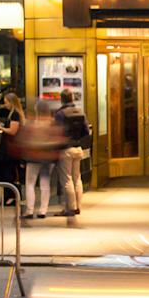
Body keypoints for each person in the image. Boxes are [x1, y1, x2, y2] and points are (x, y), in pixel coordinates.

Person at [15, 100, 64, 219]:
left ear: (37, 110)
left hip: (34, 157)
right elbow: (58, 140)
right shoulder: (52, 123)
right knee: (45, 184)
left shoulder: (32, 124)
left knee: (30, 183)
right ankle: (43, 210)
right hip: (48, 158)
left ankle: (30, 210)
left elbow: (24, 141)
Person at [53, 89, 90, 217]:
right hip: (78, 148)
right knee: (77, 178)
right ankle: (78, 206)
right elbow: (86, 131)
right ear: (72, 98)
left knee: (67, 180)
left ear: (62, 99)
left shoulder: (60, 114)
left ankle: (70, 208)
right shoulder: (80, 112)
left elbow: (56, 132)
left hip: (65, 149)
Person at [0, 92, 25, 208]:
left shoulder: (15, 115)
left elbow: (13, 131)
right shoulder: (12, 114)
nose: (5, 105)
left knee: (9, 172)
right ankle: (10, 195)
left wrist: (1, 127)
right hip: (9, 147)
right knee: (8, 172)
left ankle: (11, 195)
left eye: (6, 102)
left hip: (10, 149)